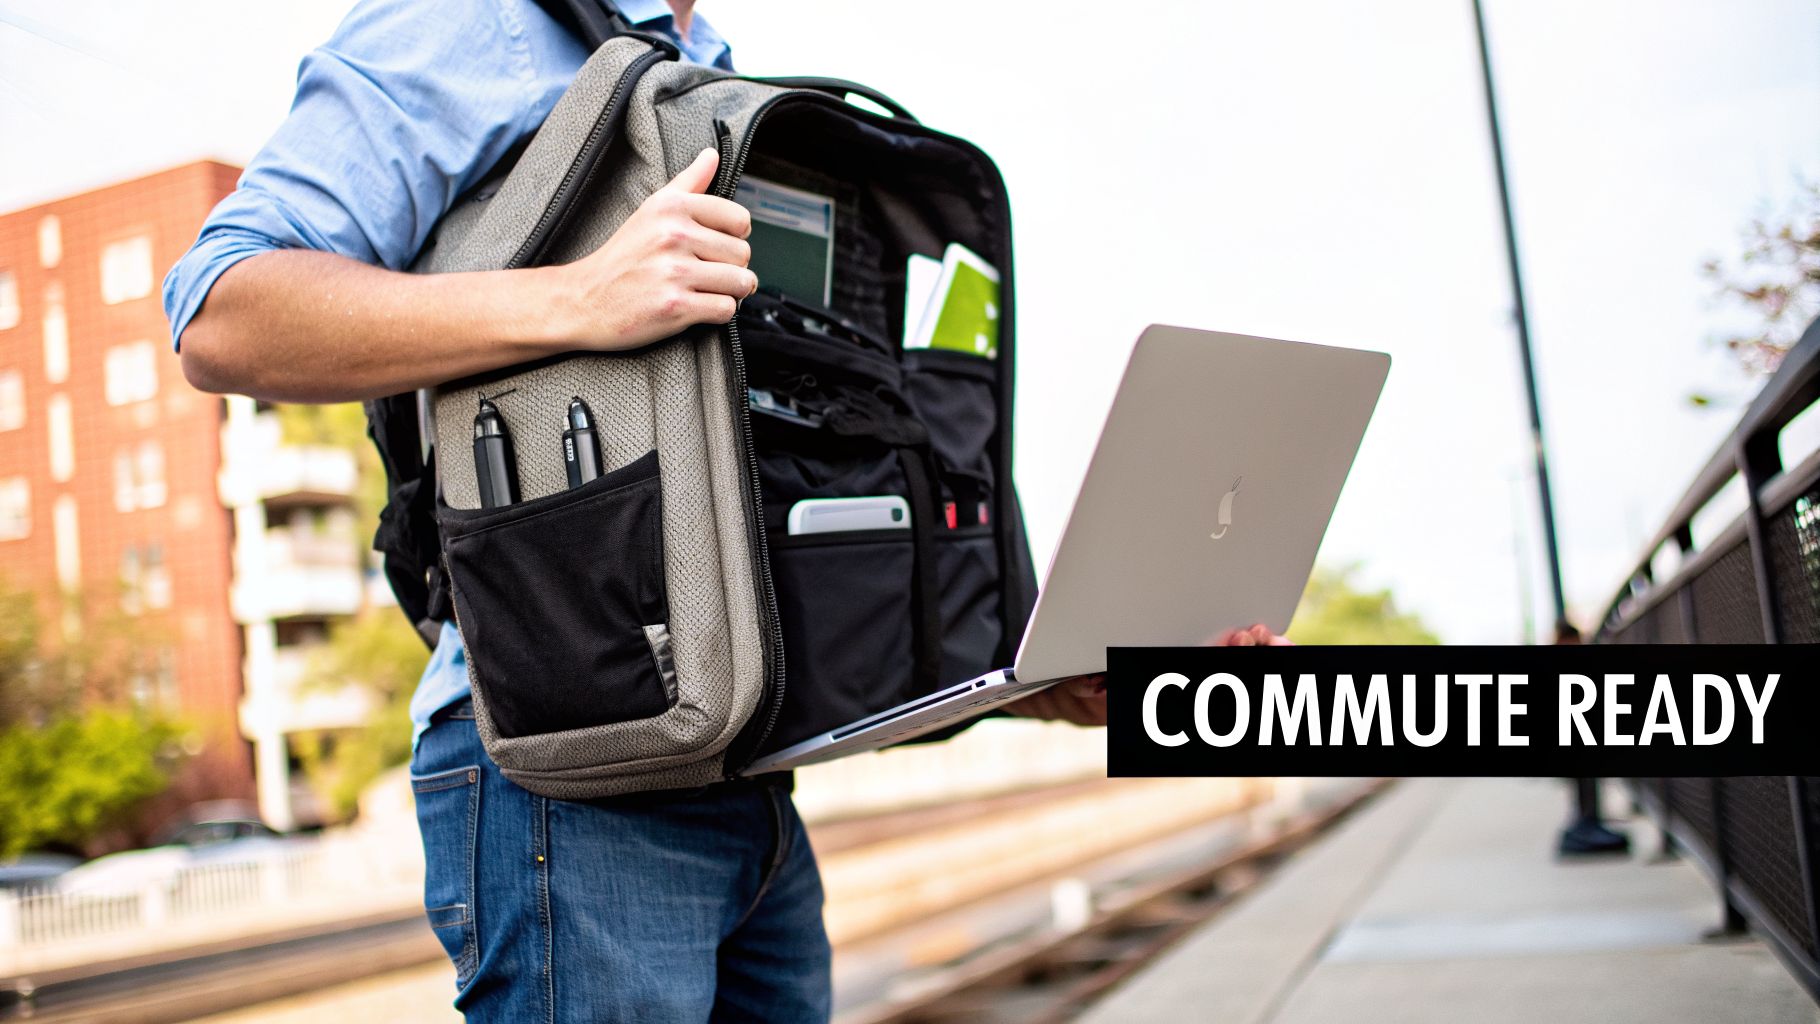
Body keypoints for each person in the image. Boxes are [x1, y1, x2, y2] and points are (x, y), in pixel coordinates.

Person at [164, 1, 1283, 1019]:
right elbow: (221, 312)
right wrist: (578, 299)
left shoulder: (709, 71)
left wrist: (1049, 688)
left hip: (745, 777)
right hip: (569, 782)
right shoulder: (474, 25)